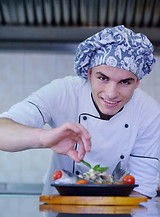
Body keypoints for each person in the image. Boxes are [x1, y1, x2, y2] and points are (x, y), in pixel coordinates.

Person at [0, 25, 159, 198]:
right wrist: (43, 137)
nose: (111, 93)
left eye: (125, 82)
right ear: (89, 74)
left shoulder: (148, 112)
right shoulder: (64, 91)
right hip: (60, 209)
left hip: (118, 212)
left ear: (137, 83)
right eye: (102, 78)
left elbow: (142, 187)